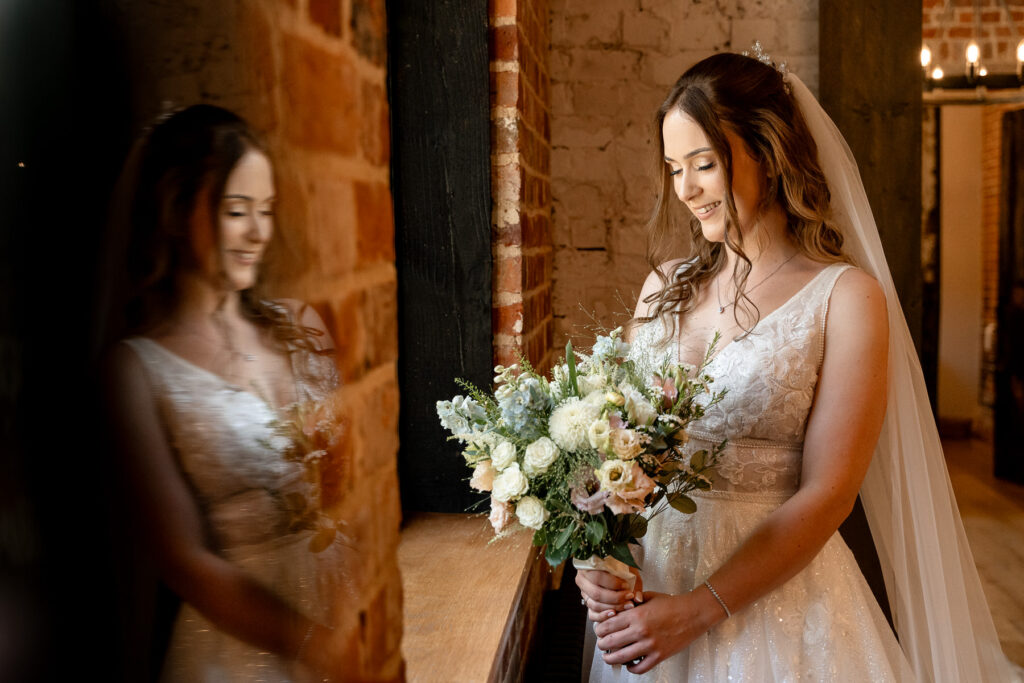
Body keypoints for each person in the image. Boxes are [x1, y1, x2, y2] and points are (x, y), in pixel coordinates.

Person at [576, 52, 1021, 682]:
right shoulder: (661, 288)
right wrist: (594, 559)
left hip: (775, 616)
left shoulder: (846, 299)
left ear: (769, 150)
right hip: (643, 604)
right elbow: (609, 445)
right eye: (675, 169)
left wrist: (700, 610)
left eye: (704, 164)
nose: (686, 189)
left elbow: (828, 493)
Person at [102, 105, 355, 682]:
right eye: (235, 210)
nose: (258, 232)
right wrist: (316, 645)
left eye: (265, 211)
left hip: (346, 604)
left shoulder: (302, 324)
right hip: (240, 647)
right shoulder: (135, 370)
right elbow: (182, 559)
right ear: (174, 210)